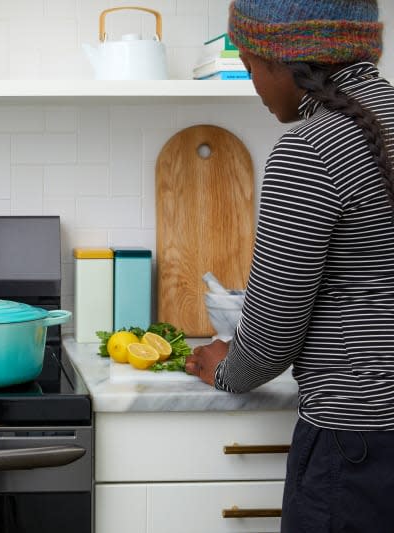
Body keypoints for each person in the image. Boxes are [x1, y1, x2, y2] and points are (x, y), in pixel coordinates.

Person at [184, 1, 394, 531]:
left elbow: (270, 340)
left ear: (286, 62)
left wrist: (226, 367)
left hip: (357, 448)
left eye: (252, 66)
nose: (254, 86)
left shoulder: (310, 150)